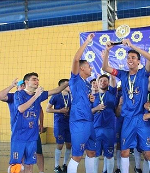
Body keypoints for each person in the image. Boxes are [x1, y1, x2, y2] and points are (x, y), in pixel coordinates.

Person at [102, 39, 150, 173]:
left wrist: (132, 46)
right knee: (124, 151)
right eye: (128, 58)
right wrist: (108, 51)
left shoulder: (143, 73)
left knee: (148, 152)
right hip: (127, 119)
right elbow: (105, 68)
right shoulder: (123, 74)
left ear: (138, 61)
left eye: (133, 57)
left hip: (141, 118)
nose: (130, 59)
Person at [9, 72, 68, 173]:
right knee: (16, 165)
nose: (37, 81)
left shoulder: (39, 95)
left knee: (29, 164)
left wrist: (73, 79)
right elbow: (21, 109)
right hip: (19, 137)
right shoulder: (19, 94)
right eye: (34, 79)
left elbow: (57, 90)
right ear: (26, 82)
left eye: (37, 79)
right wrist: (36, 96)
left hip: (32, 137)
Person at [0, 78, 45, 173]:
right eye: (21, 85)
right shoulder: (14, 96)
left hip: (32, 132)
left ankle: (41, 171)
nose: (23, 87)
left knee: (36, 155)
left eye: (24, 85)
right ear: (17, 87)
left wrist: (41, 124)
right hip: (19, 133)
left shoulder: (32, 96)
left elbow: (40, 110)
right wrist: (11, 85)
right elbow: (0, 96)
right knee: (18, 161)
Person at [67, 33, 96, 173]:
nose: (91, 68)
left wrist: (91, 100)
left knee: (91, 153)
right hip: (79, 122)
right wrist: (87, 42)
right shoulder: (75, 79)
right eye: (89, 66)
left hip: (89, 121)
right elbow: (76, 59)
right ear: (82, 68)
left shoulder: (88, 85)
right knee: (77, 156)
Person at [92, 74, 117, 173]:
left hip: (109, 129)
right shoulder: (93, 96)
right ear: (97, 83)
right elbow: (89, 112)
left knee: (109, 154)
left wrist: (112, 75)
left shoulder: (112, 93)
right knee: (95, 154)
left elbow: (113, 80)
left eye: (105, 81)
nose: (103, 82)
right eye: (101, 80)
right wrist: (96, 108)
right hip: (96, 129)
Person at [46, 79, 72, 173]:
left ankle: (65, 164)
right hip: (59, 123)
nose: (70, 86)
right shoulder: (56, 96)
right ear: (63, 86)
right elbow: (47, 109)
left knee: (69, 145)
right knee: (60, 144)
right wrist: (59, 111)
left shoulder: (72, 96)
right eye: (68, 85)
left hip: (70, 123)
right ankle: (56, 166)